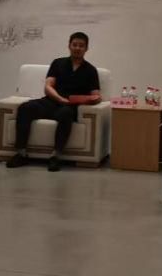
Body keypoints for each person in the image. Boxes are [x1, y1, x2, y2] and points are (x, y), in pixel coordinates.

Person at [6, 31, 101, 172]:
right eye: (74, 44)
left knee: (66, 114)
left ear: (86, 48)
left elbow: (96, 95)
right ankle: (21, 153)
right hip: (50, 102)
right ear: (69, 46)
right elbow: (48, 86)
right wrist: (59, 98)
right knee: (25, 108)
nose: (77, 48)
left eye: (81, 45)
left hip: (69, 107)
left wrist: (93, 99)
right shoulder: (58, 63)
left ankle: (55, 156)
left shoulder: (91, 70)